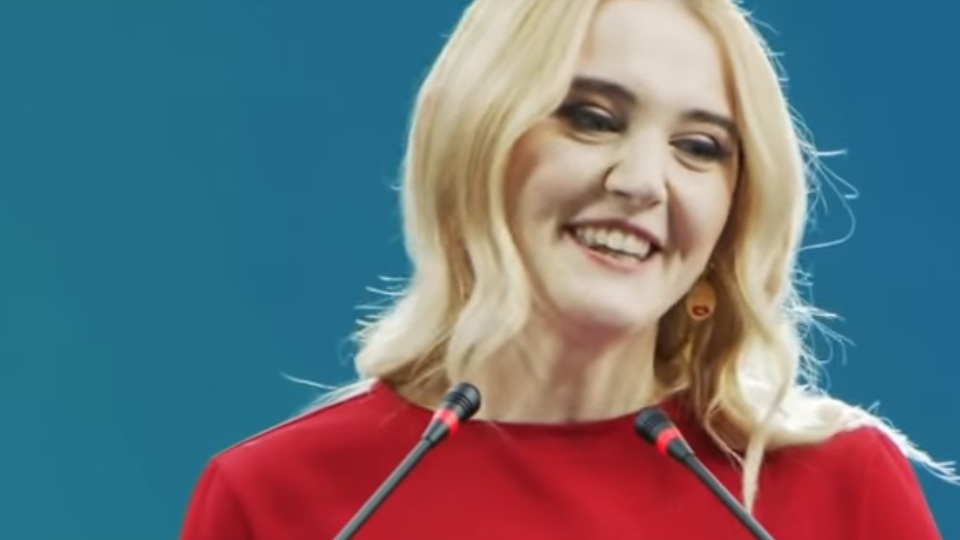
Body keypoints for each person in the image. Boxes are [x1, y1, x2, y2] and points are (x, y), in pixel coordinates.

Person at [180, 0, 957, 538]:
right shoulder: (272, 497)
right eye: (592, 118)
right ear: (475, 140)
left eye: (698, 147)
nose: (643, 182)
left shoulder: (840, 486)